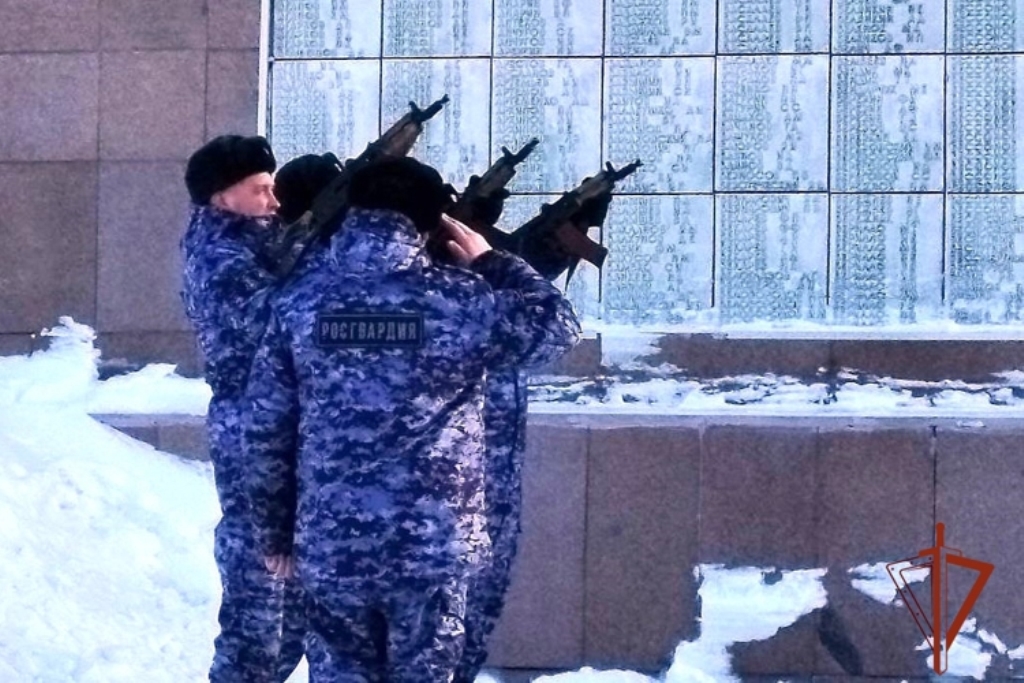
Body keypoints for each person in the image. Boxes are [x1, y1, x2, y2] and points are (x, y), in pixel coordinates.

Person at [244, 156, 581, 682]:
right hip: (432, 550)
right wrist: (491, 260)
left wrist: (274, 534)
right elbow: (557, 328)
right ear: (433, 225)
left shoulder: (299, 303)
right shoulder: (464, 301)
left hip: (333, 547)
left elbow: (267, 428)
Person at [180, 134, 306, 683]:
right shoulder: (220, 258)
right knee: (260, 595)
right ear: (221, 198)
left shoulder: (257, 244)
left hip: (275, 420)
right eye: (260, 190)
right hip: (249, 427)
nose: (273, 201)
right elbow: (280, 320)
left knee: (289, 606)